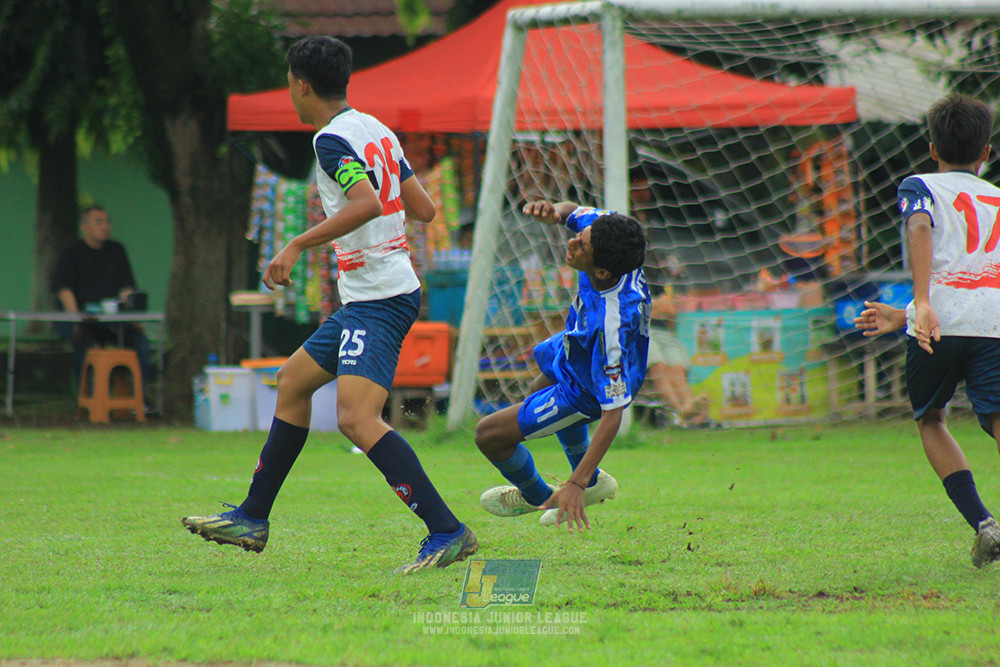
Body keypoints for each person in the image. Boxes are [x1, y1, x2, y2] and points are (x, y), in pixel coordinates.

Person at [181, 36, 477, 574]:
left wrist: (297, 243)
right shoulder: (377, 130)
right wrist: (378, 234)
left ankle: (446, 530)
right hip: (378, 291)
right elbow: (425, 208)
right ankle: (253, 516)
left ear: (301, 84)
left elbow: (364, 203)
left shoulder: (330, 140)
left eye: (288, 84)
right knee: (292, 382)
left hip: (379, 299)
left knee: (357, 420)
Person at [857, 94, 1000, 568]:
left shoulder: (920, 185)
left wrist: (917, 305)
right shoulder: (998, 198)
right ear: (987, 152)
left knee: (932, 419)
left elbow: (919, 227)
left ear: (932, 147)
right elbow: (974, 272)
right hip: (993, 324)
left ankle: (983, 524)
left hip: (935, 325)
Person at [475, 199, 650, 532]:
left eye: (581, 245)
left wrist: (576, 483)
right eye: (580, 235)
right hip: (575, 345)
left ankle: (539, 495)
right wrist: (556, 213)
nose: (572, 241)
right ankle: (592, 480)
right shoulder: (607, 234)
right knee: (536, 390)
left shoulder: (610, 327)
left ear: (600, 272)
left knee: (488, 435)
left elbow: (613, 412)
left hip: (587, 387)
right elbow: (572, 212)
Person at [51, 205, 152, 400]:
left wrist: (129, 316)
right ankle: (86, 399)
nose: (105, 226)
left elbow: (126, 288)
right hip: (79, 318)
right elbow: (64, 290)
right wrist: (76, 321)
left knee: (141, 342)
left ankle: (139, 398)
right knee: (83, 343)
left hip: (111, 320)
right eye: (99, 222)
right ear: (84, 226)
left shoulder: (117, 250)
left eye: (107, 222)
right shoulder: (71, 253)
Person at [645, 255, 713, 427]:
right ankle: (680, 412)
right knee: (659, 366)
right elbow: (628, 311)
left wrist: (647, 307)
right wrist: (656, 306)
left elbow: (670, 309)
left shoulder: (651, 272)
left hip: (663, 332)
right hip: (639, 332)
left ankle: (688, 408)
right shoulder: (620, 274)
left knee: (677, 368)